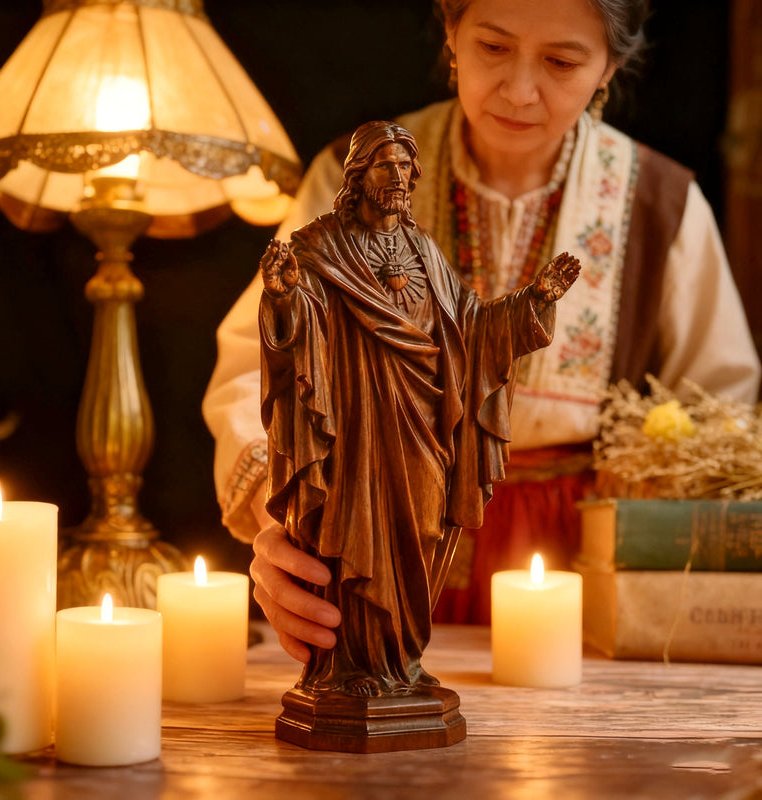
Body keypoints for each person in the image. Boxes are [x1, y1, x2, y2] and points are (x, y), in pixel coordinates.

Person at [203, 0, 761, 661]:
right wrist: (284, 518)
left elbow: (721, 407)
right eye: (493, 48)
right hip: (381, 535)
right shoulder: (353, 179)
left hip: (581, 580)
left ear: (610, 65)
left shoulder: (661, 206)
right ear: (451, 33)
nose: (519, 92)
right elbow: (255, 368)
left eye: (560, 61)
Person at [258, 119, 579, 695]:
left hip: (427, 431)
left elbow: (473, 327)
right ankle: (351, 667)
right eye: (387, 166)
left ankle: (401, 663)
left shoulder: (423, 249)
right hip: (355, 433)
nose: (400, 177)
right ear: (358, 175)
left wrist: (534, 302)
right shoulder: (320, 245)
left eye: (406, 168)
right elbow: (296, 346)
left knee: (417, 538)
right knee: (359, 535)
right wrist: (282, 297)